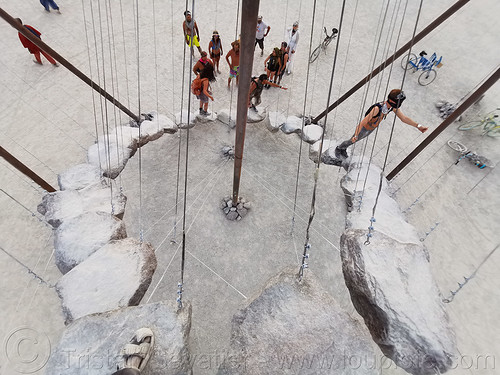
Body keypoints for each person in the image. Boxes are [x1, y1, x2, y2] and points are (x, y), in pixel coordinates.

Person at [335, 89, 428, 159]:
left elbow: (404, 118)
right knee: (352, 140)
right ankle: (339, 148)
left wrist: (418, 126)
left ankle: (344, 148)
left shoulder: (392, 107)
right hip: (364, 129)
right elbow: (362, 123)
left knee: (355, 141)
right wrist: (355, 135)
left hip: (371, 129)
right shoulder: (376, 109)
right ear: (392, 101)